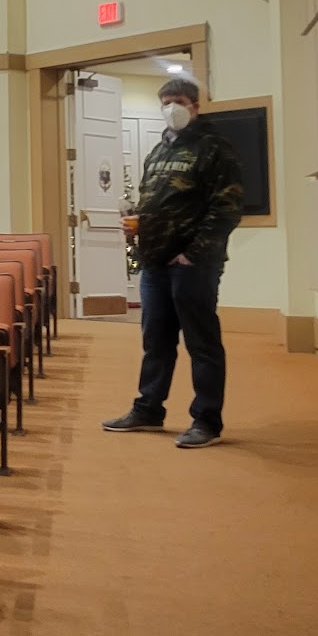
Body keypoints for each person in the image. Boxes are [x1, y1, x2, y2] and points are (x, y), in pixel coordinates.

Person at [102, 74, 245, 447]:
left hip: (193, 264)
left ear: (195, 106)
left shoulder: (214, 148)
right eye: (165, 103)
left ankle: (206, 421)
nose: (171, 109)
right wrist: (138, 223)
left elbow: (227, 208)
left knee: (201, 343)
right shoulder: (159, 150)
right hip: (155, 261)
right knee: (156, 340)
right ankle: (148, 409)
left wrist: (192, 253)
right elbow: (157, 201)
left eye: (178, 102)